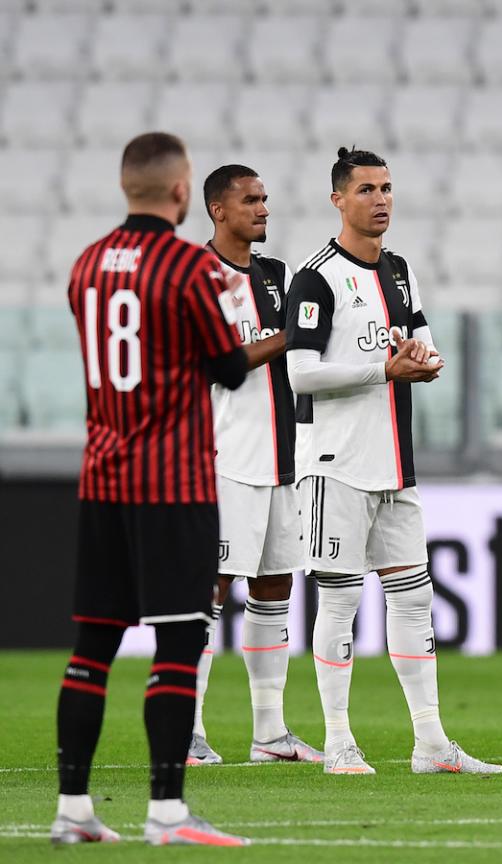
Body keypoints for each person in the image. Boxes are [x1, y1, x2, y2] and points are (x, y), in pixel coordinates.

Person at [53, 131, 265, 847]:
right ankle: (168, 813)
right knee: (179, 641)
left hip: (102, 477)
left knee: (91, 648)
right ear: (182, 193)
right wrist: (233, 298)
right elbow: (230, 370)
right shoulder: (187, 267)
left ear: (125, 187)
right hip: (171, 484)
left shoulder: (85, 266)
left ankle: (74, 809)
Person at [286, 146, 502, 776]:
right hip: (334, 464)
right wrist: (385, 368)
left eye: (386, 189)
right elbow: (299, 373)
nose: (380, 200)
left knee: (413, 599)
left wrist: (423, 361)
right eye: (366, 190)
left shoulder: (398, 269)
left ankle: (431, 744)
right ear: (338, 199)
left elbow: (422, 342)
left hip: (394, 465)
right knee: (340, 602)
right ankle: (337, 743)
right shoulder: (315, 278)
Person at [185, 164, 322, 767]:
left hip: (282, 459)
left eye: (266, 198)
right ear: (218, 209)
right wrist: (290, 334)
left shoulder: (277, 275)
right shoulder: (194, 277)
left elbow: (309, 349)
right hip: (223, 457)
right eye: (250, 200)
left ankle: (270, 734)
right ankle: (187, 732)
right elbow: (219, 364)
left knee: (274, 589)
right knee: (209, 592)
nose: (263, 209)